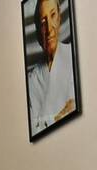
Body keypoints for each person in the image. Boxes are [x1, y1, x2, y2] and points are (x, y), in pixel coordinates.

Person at [27, 0, 78, 135]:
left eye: (53, 15)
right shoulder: (32, 80)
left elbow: (74, 106)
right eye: (43, 23)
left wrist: (43, 120)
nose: (49, 29)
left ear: (60, 17)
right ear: (38, 29)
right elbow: (33, 129)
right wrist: (59, 115)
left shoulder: (72, 55)